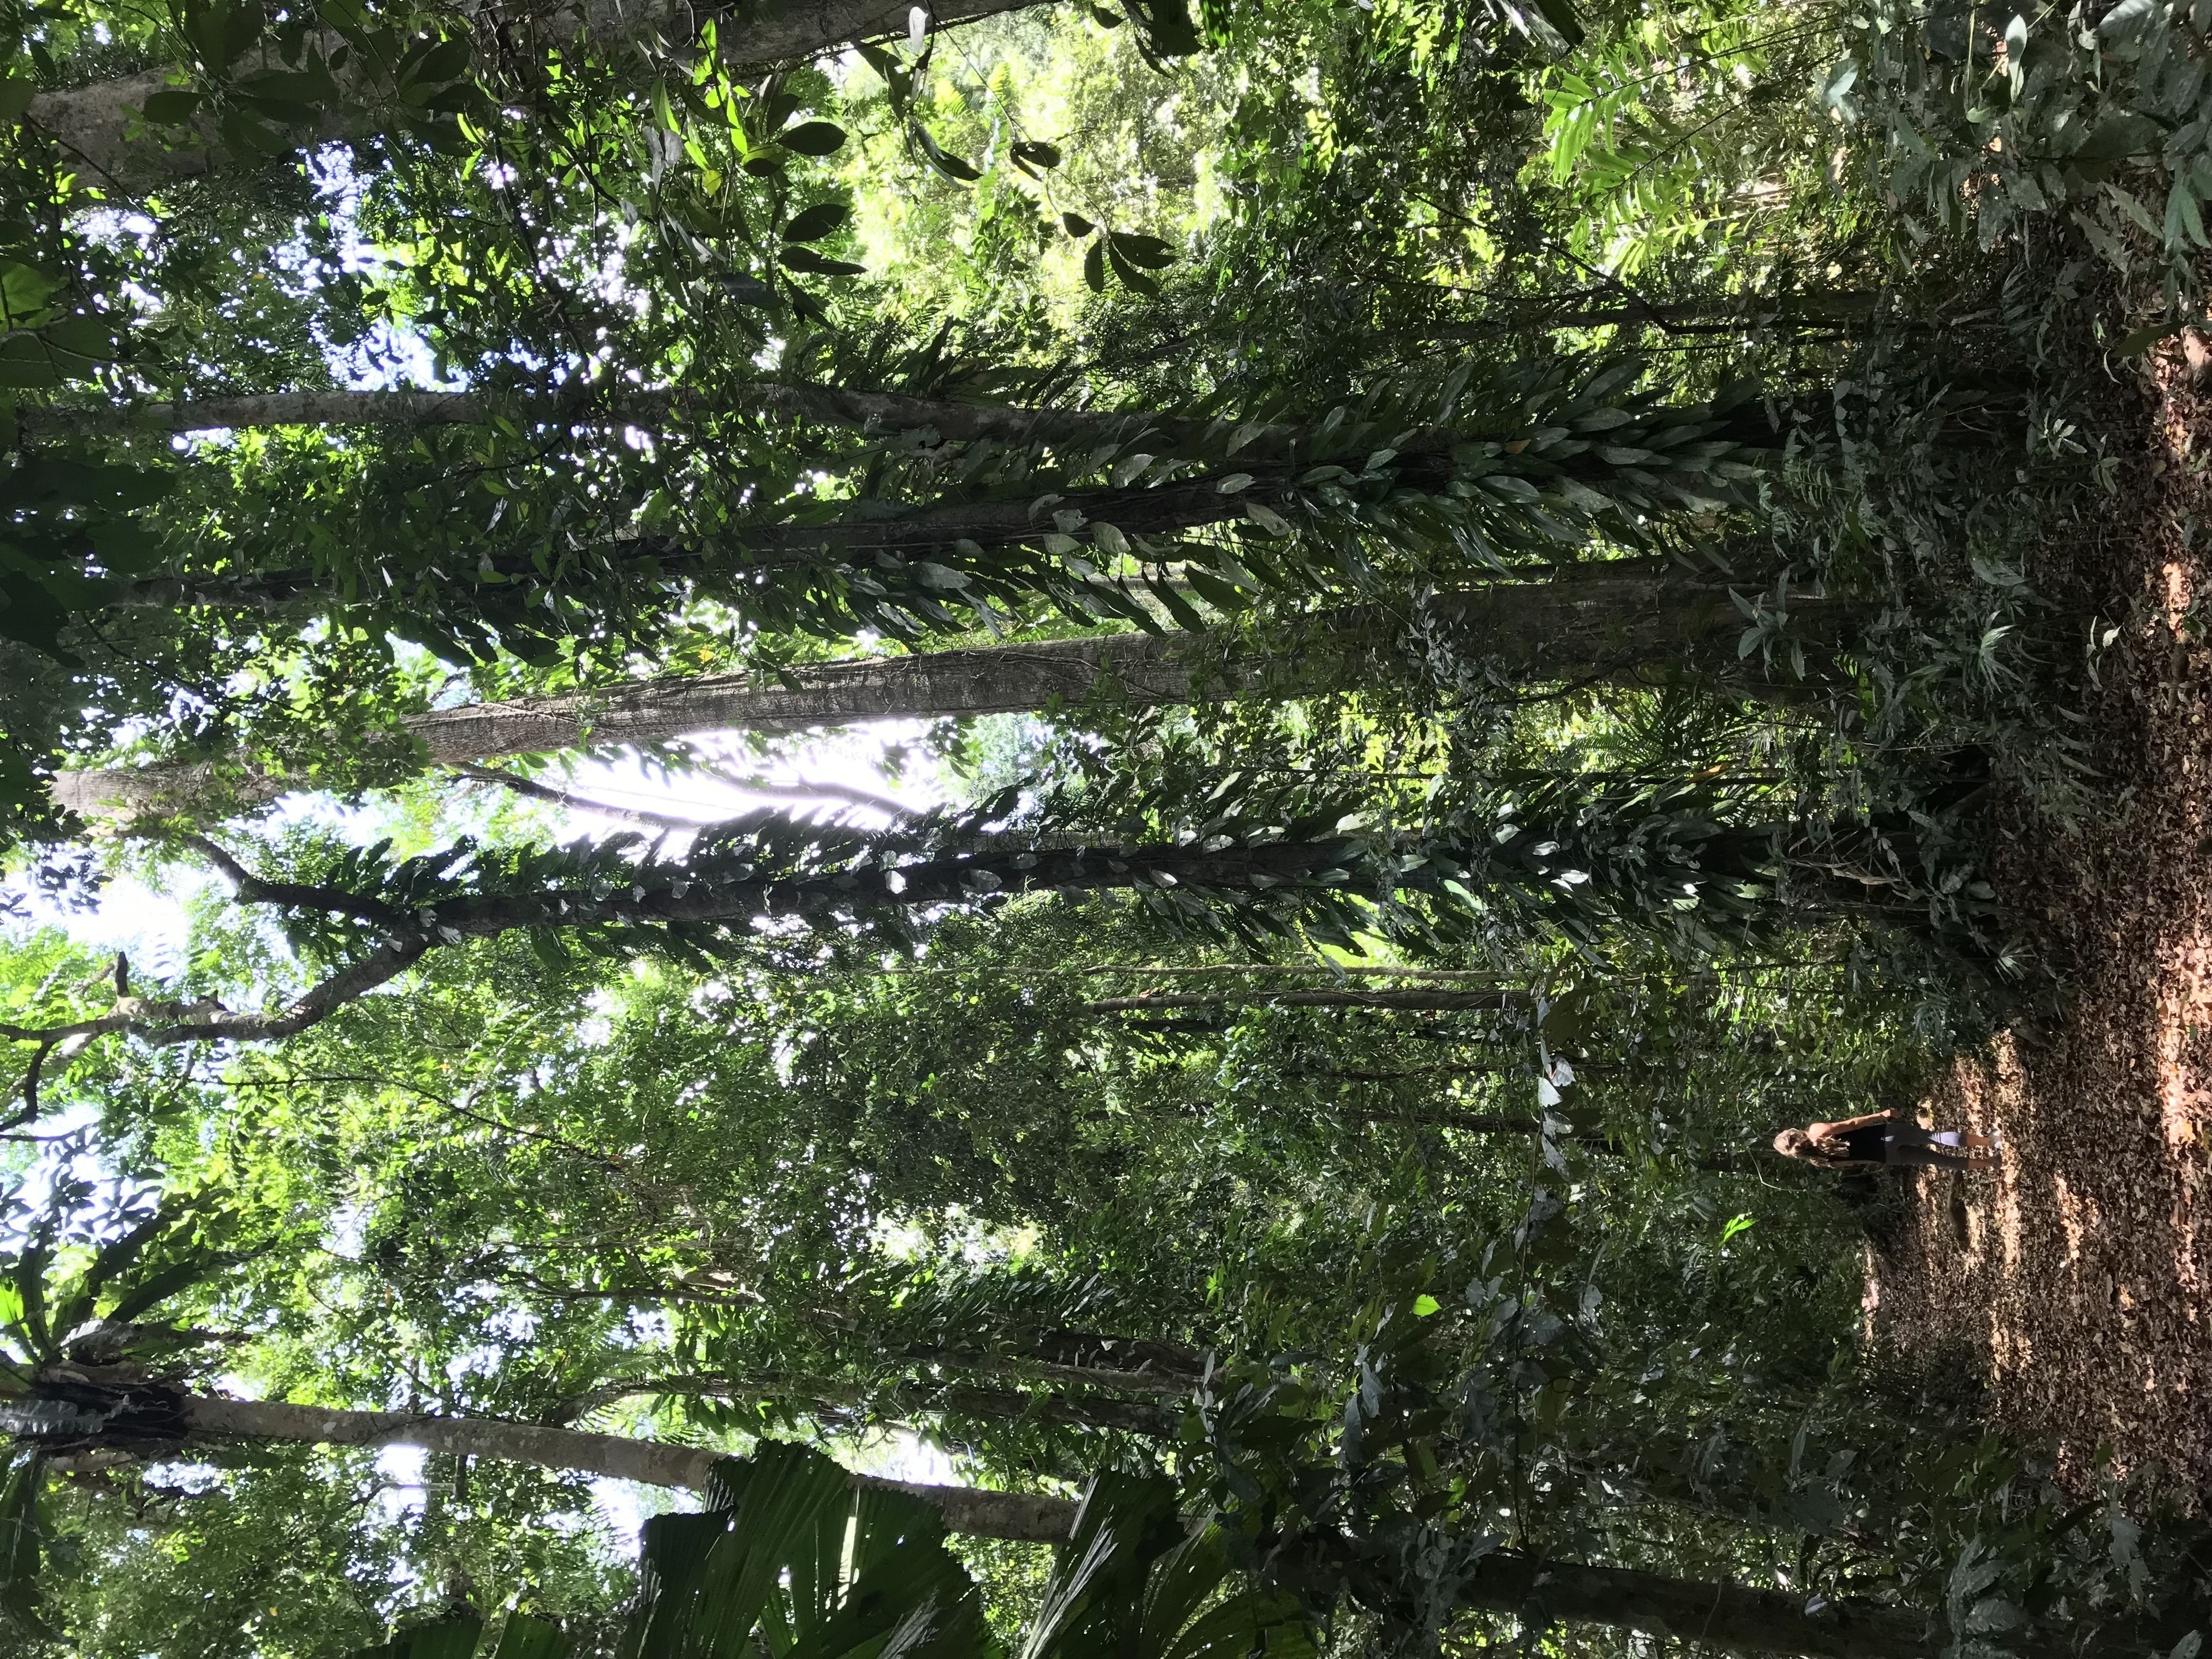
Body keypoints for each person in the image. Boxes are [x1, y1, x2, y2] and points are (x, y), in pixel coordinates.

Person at [1771, 1107, 1998, 1172]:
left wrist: (1881, 1160)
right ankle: (1990, 1143)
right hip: (1885, 1134)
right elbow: (1852, 1125)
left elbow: (1860, 1162)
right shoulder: (1816, 1131)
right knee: (1934, 1137)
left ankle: (1991, 1164)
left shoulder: (1820, 1161)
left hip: (1887, 1157)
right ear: (1794, 1134)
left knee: (1940, 1161)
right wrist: (1880, 1115)